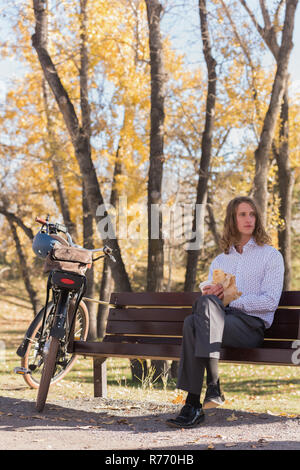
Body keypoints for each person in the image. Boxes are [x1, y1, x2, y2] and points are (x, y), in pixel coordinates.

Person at [167, 196, 284, 428]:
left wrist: (230, 300)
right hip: (217, 322)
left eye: (252, 214)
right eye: (242, 214)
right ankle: (203, 396)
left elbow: (270, 302)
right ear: (232, 219)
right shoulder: (221, 259)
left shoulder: (270, 256)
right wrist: (212, 293)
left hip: (250, 327)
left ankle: (199, 397)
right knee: (196, 317)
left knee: (194, 322)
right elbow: (211, 304)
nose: (249, 219)